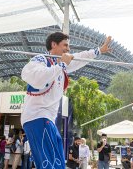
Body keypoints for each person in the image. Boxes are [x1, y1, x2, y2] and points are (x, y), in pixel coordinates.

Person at [21, 32, 112, 169]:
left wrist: (99, 50)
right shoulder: (41, 59)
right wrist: (61, 65)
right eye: (65, 45)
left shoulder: (62, 66)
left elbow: (80, 57)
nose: (68, 49)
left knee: (57, 162)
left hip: (47, 120)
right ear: (53, 44)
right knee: (50, 163)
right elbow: (34, 77)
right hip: (37, 116)